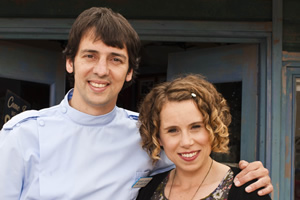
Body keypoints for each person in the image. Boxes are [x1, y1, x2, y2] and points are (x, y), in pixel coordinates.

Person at [0, 7, 272, 200]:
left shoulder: (146, 134)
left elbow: (194, 160)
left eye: (116, 59)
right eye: (90, 56)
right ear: (70, 62)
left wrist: (248, 175)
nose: (102, 70)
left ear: (130, 72)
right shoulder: (23, 134)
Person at [136, 74, 272, 200]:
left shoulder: (247, 188)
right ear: (158, 137)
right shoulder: (149, 189)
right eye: (172, 130)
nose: (186, 142)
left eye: (195, 127)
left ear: (213, 127)